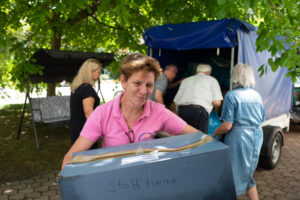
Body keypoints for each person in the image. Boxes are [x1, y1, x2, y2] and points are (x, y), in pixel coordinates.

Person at [62, 54, 198, 169]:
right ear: (123, 81)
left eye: (149, 85)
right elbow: (70, 157)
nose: (144, 91)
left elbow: (198, 138)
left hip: (147, 182)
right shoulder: (102, 113)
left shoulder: (159, 112)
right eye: (137, 83)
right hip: (113, 184)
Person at [212, 63, 265, 200]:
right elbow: (262, 118)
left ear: (235, 76)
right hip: (257, 135)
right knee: (247, 175)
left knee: (233, 175)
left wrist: (216, 132)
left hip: (239, 137)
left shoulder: (232, 95)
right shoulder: (257, 95)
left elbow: (227, 125)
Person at [173, 64, 223, 134]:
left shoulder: (186, 80)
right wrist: (214, 109)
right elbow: (217, 103)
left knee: (183, 138)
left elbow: (176, 102)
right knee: (199, 139)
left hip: (182, 111)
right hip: (198, 112)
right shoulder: (212, 80)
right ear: (209, 73)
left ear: (197, 72)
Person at [70, 58, 102, 150]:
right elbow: (88, 112)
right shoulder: (87, 88)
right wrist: (97, 130)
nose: (99, 75)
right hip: (86, 131)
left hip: (76, 128)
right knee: (88, 159)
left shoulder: (77, 87)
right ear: (90, 72)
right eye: (98, 72)